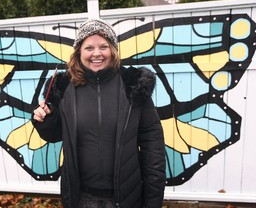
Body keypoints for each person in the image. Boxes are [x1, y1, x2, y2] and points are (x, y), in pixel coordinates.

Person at [32, 18, 166, 208]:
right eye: (89, 48)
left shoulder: (133, 84)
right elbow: (54, 135)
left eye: (103, 46)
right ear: (79, 51)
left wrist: (152, 201)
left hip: (127, 198)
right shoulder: (63, 86)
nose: (97, 53)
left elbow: (153, 148)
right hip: (81, 198)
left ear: (113, 50)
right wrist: (46, 119)